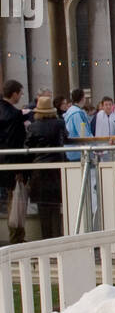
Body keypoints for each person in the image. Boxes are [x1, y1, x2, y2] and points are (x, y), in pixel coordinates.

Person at [25, 96, 68, 240]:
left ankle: (46, 239)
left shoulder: (33, 126)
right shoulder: (59, 123)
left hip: (39, 170)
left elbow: (28, 146)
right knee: (56, 207)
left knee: (42, 208)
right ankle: (57, 238)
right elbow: (66, 139)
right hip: (56, 168)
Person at [0, 79, 28, 244]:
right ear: (15, 93)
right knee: (14, 202)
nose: (21, 96)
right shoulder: (15, 115)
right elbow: (17, 141)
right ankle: (16, 237)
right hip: (11, 163)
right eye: (20, 93)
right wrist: (20, 170)